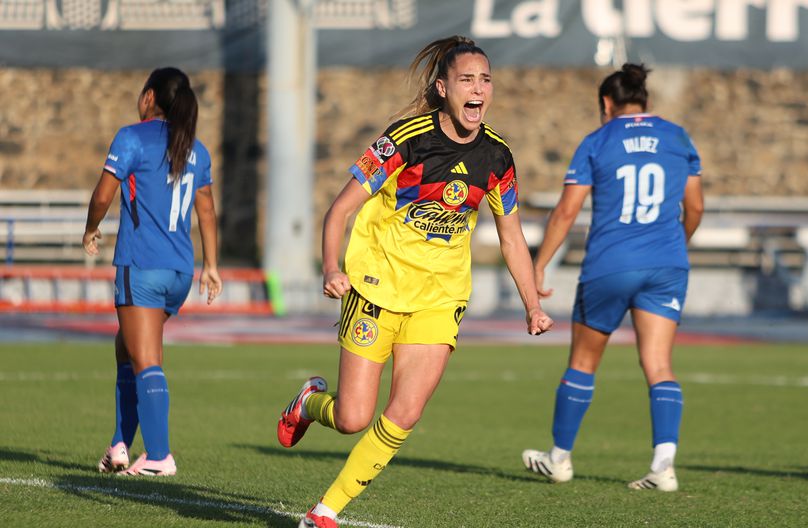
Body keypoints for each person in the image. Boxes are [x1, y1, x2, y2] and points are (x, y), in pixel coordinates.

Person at [277, 36, 554, 528]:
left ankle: (325, 512)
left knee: (404, 413)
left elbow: (511, 236)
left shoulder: (497, 157)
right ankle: (309, 403)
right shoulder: (404, 140)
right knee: (352, 418)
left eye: (486, 80)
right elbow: (340, 209)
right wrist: (331, 268)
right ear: (443, 88)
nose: (479, 90)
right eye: (467, 80)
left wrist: (532, 303)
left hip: (439, 299)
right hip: (375, 288)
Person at [521, 64, 704, 492]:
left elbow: (566, 211)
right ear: (646, 100)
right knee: (659, 365)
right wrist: (676, 246)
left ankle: (560, 459)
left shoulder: (597, 140)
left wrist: (540, 264)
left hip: (609, 264)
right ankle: (664, 465)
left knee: (583, 364)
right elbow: (694, 208)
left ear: (606, 104)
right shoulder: (678, 137)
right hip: (667, 264)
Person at [82, 67, 222, 476]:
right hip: (179, 271)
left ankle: (159, 455)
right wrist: (211, 265)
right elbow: (208, 210)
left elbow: (103, 194)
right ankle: (120, 445)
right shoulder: (196, 148)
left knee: (145, 360)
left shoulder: (131, 138)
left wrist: (90, 229)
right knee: (126, 348)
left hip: (141, 265)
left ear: (148, 97)